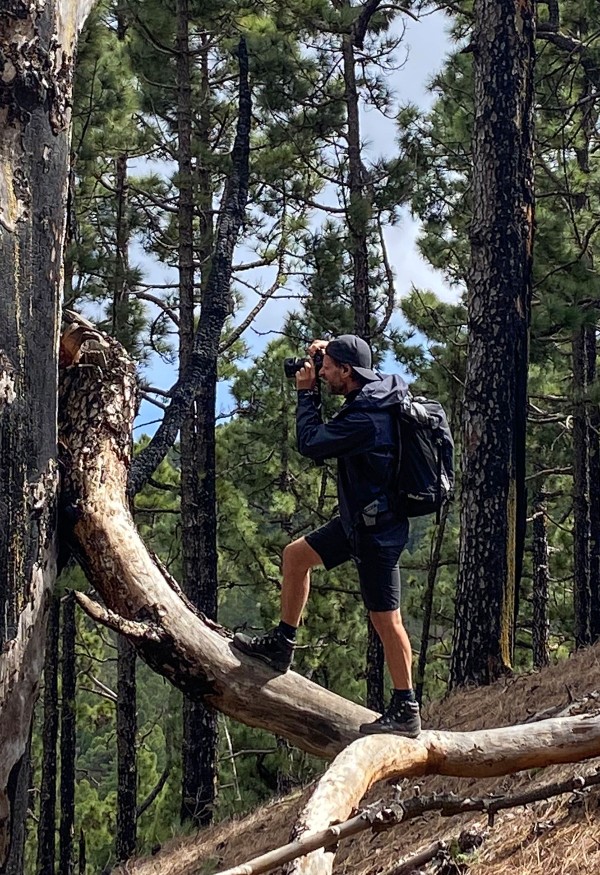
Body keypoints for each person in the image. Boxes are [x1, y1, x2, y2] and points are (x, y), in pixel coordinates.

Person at [232, 335, 420, 737]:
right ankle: (283, 644)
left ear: (347, 372)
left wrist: (306, 395)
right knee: (295, 557)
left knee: (386, 620)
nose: (321, 373)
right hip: (359, 521)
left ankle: (406, 709)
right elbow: (347, 367)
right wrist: (327, 350)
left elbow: (311, 443)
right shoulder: (373, 392)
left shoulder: (366, 418)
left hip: (377, 532)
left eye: (328, 367)